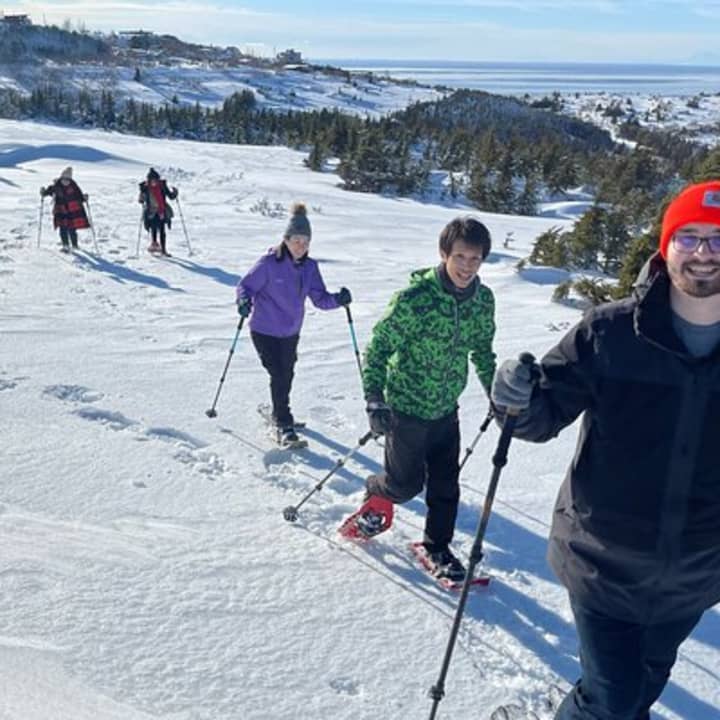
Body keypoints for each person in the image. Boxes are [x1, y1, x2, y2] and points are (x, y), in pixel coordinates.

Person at [490, 180, 720, 720]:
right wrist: (517, 399)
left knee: (645, 683)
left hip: (696, 570)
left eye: (718, 238)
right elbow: (543, 414)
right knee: (612, 700)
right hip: (603, 562)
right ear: (666, 246)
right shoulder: (611, 332)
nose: (704, 252)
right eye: (688, 237)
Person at [340, 217, 497, 583]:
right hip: (406, 408)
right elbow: (379, 349)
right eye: (460, 257)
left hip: (446, 409)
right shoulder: (415, 300)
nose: (467, 267)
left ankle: (436, 546)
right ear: (444, 254)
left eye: (475, 259)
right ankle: (376, 490)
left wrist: (496, 393)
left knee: (446, 486)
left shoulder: (482, 301)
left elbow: (483, 353)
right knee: (404, 485)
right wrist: (374, 398)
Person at [236, 202, 352, 447]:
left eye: (306, 242)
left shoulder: (310, 268)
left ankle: (280, 411)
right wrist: (244, 301)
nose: (301, 246)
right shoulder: (269, 263)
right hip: (264, 329)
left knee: (286, 373)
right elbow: (245, 286)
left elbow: (320, 299)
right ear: (286, 239)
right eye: (297, 240)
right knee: (278, 373)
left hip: (290, 331)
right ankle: (283, 423)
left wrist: (339, 300)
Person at [40, 167, 90, 252]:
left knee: (66, 229)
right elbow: (80, 197)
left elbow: (47, 192)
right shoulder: (69, 186)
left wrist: (43, 192)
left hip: (65, 211)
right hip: (68, 211)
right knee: (69, 228)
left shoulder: (61, 185)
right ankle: (71, 245)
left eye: (67, 179)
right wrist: (84, 198)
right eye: (64, 179)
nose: (65, 181)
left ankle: (69, 245)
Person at [138, 168, 178, 256]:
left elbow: (170, 196)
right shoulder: (146, 188)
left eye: (155, 180)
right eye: (152, 180)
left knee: (162, 230)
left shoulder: (162, 186)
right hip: (151, 212)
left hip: (161, 211)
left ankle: (163, 250)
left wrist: (175, 193)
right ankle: (154, 244)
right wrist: (141, 198)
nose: (154, 182)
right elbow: (141, 199)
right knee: (153, 228)